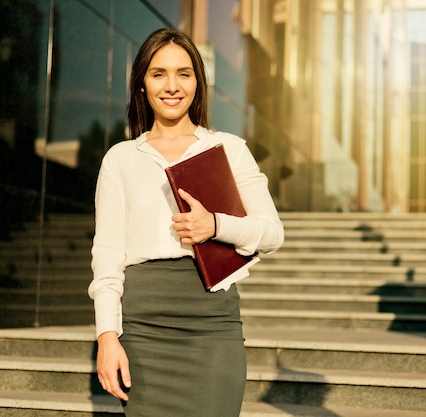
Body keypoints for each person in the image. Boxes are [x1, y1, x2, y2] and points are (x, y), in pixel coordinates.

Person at [88, 28, 284, 417]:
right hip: (143, 328)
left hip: (212, 325)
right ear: (141, 84)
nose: (172, 85)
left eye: (184, 73)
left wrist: (215, 225)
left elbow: (272, 234)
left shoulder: (229, 149)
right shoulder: (121, 159)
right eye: (158, 73)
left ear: (198, 82)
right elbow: (107, 258)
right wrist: (107, 338)